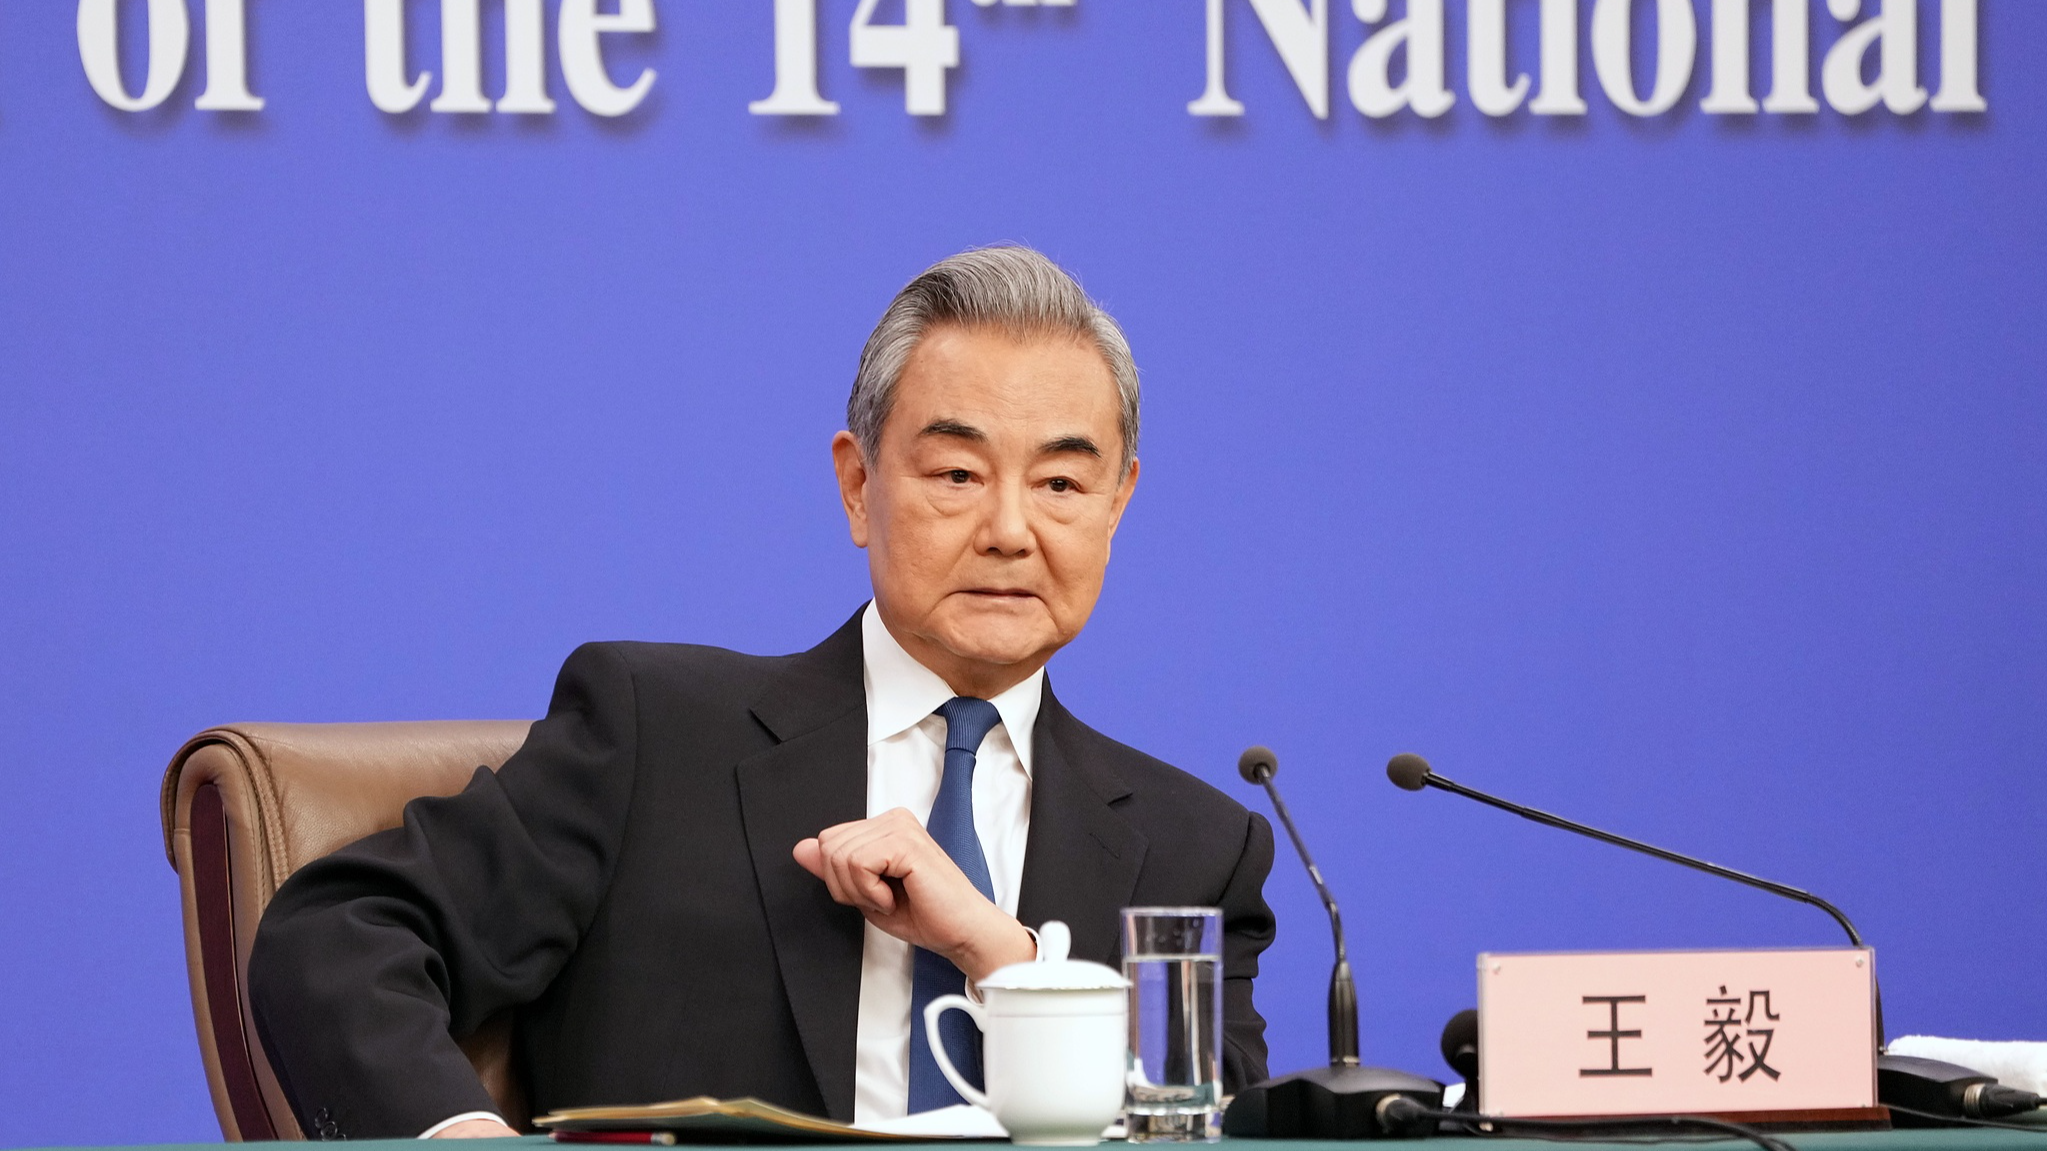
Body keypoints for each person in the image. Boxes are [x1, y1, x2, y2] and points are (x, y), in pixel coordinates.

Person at [249, 246, 1277, 1140]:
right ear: (857, 486)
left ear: (1117, 502)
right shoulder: (657, 737)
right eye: (957, 473)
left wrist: (1002, 958)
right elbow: (337, 938)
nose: (1011, 528)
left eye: (1059, 483)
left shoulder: (1193, 848)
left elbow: (1213, 1127)